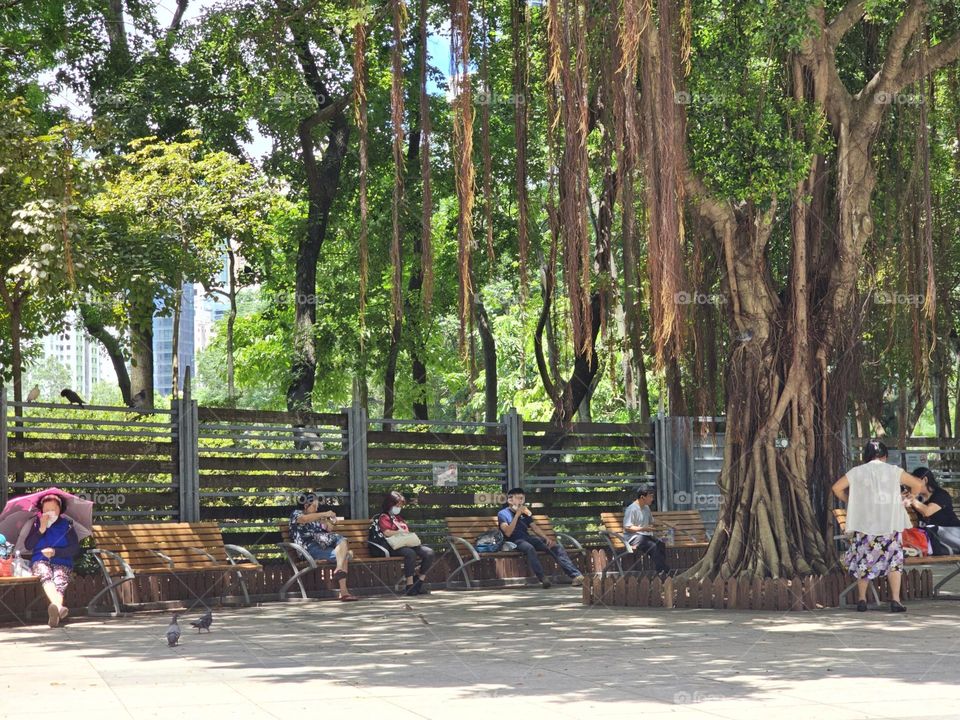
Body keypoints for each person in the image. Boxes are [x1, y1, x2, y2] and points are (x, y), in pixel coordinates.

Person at [832, 440, 925, 613]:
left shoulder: (856, 472)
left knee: (864, 560)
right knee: (894, 562)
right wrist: (908, 499)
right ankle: (895, 600)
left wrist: (851, 502)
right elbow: (918, 485)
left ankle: (861, 600)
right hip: (890, 525)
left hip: (864, 525)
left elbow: (837, 488)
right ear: (885, 456)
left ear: (866, 456)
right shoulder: (894, 471)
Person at [497, 488, 584, 589]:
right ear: (510, 500)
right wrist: (517, 515)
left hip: (527, 538)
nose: (521, 501)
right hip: (513, 541)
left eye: (523, 499)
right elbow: (508, 533)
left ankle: (576, 576)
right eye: (519, 498)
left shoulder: (525, 513)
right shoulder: (503, 514)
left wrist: (546, 538)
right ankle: (543, 578)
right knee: (530, 548)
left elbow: (534, 527)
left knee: (554, 546)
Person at [23, 494, 80, 627]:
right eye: (46, 509)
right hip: (40, 560)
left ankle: (55, 609)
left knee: (60, 578)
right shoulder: (37, 523)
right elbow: (28, 545)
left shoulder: (67, 525)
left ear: (60, 510)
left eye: (53, 509)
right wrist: (41, 530)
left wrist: (56, 552)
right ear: (42, 510)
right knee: (45, 574)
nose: (50, 513)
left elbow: (75, 548)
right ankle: (59, 608)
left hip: (62, 560)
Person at [290, 493, 359, 601]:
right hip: (308, 549)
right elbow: (303, 519)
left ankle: (339, 569)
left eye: (317, 506)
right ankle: (344, 592)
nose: (316, 508)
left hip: (322, 545)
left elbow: (329, 529)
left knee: (342, 542)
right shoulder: (296, 514)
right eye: (314, 506)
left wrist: (327, 520)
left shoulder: (316, 517)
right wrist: (325, 513)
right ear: (306, 505)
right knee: (344, 555)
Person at [378, 491, 435, 596]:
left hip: (406, 543)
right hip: (393, 545)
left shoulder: (398, 518)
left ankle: (419, 583)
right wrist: (400, 532)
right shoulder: (384, 517)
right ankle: (410, 585)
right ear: (390, 504)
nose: (399, 507)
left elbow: (406, 530)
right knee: (410, 553)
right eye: (397, 505)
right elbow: (386, 533)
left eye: (400, 505)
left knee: (429, 553)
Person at [909, 467, 960, 553]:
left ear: (925, 480)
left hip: (950, 535)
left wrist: (910, 498)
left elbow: (927, 512)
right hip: (932, 538)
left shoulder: (941, 494)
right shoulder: (919, 498)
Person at [623, 486, 670, 576]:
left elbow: (652, 521)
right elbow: (627, 527)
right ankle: (663, 571)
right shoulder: (632, 509)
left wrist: (667, 524)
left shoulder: (646, 508)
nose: (652, 499)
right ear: (642, 497)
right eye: (650, 496)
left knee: (660, 544)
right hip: (632, 537)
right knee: (653, 546)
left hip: (644, 536)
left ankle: (662, 570)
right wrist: (644, 528)